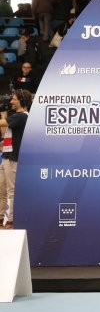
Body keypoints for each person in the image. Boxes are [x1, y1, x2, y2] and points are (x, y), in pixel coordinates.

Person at [0, 89, 31, 230]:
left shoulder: (23, 116)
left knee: (11, 191)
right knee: (1, 190)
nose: (11, 101)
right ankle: (1, 218)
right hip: (6, 156)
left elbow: (2, 122)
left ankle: (11, 221)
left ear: (22, 101)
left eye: (14, 99)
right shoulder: (17, 116)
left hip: (13, 159)